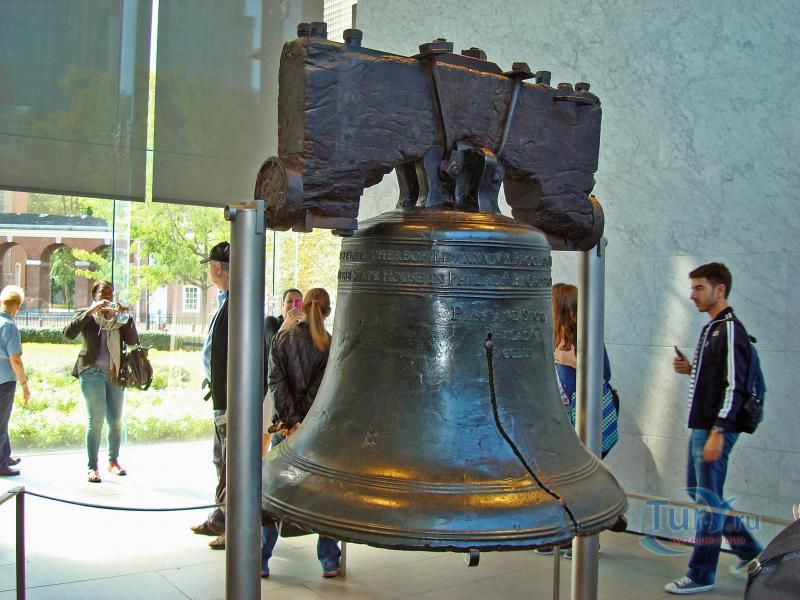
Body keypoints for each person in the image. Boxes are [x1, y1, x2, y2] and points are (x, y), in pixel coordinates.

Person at [665, 263, 762, 595]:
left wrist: (718, 432)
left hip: (713, 429)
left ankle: (701, 574)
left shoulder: (729, 329)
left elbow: (735, 385)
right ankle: (751, 553)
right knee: (705, 495)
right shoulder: (713, 328)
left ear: (720, 290)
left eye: (699, 288)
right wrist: (691, 370)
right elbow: (718, 378)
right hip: (703, 427)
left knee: (708, 501)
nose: (692, 295)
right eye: (692, 288)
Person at [261, 287, 341, 579]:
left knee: (272, 492)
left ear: (303, 307)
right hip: (316, 431)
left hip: (284, 429)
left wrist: (290, 421)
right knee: (326, 493)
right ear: (327, 312)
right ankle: (329, 560)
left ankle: (261, 557)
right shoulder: (330, 345)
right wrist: (303, 423)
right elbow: (319, 390)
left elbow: (276, 382)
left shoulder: (282, 338)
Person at [535, 283, 618, 559]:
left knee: (580, 483)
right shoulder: (551, 336)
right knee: (559, 482)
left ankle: (587, 538)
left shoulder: (587, 336)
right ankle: (562, 535)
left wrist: (573, 361)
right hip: (561, 423)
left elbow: (603, 374)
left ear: (560, 307)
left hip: (585, 421)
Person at [64, 280, 139, 483]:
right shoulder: (86, 315)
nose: (107, 297)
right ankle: (93, 466)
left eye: (110, 293)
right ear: (94, 295)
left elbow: (133, 341)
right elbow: (68, 333)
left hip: (115, 372)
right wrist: (90, 312)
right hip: (91, 373)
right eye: (103, 293)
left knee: (115, 421)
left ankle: (113, 462)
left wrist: (126, 316)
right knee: (96, 421)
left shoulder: (118, 318)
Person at [190, 241, 230, 549]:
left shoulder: (235, 304)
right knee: (221, 459)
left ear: (217, 268)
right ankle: (220, 517)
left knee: (229, 462)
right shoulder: (227, 301)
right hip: (222, 397)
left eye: (210, 266)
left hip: (229, 400)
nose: (209, 271)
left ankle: (232, 523)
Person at [0, 286, 30, 477]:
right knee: (1, 422)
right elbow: (15, 359)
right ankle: (1, 464)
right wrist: (24, 385)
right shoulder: (9, 326)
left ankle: (5, 455)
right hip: (4, 380)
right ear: (17, 306)